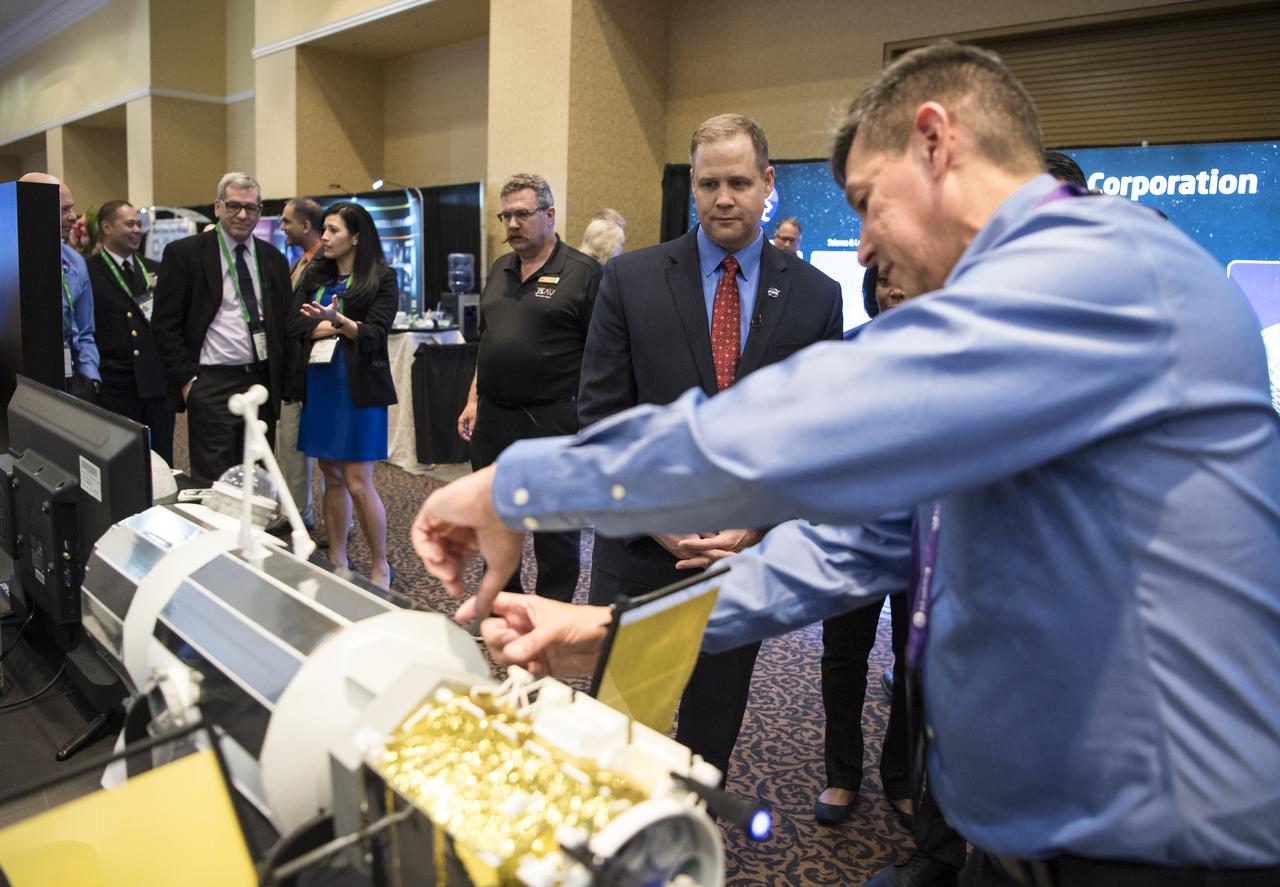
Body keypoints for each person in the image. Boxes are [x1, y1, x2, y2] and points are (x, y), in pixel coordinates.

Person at [414, 41, 1280, 887]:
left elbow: (796, 423)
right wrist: (604, 634)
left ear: (937, 142)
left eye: (868, 201)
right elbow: (848, 549)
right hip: (1025, 844)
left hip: (1164, 852)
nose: (860, 246)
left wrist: (519, 486)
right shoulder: (1007, 328)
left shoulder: (1105, 272)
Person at [576, 113, 842, 781]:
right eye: (709, 183)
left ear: (768, 184)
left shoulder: (815, 297)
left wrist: (752, 525)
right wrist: (664, 524)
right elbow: (601, 419)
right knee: (617, 725)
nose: (725, 198)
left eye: (740, 182)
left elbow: (815, 437)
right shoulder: (630, 281)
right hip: (639, 552)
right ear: (692, 187)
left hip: (744, 560)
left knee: (709, 734)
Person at [454, 173, 600, 603]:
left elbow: (605, 355)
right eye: (506, 215)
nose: (512, 224)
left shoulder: (584, 274)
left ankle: (551, 616)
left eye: (522, 214)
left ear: (550, 215)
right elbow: (488, 342)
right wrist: (473, 398)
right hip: (494, 421)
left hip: (554, 421)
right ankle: (505, 605)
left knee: (554, 531)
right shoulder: (500, 269)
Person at [814, 265, 911, 828]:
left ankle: (900, 775)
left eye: (905, 278)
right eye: (883, 280)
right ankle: (842, 774)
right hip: (852, 535)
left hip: (925, 540)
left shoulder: (956, 358)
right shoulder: (843, 355)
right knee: (844, 658)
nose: (893, 289)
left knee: (913, 662)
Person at [151, 171, 292, 484]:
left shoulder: (273, 260)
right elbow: (165, 325)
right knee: (215, 482)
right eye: (234, 206)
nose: (243, 214)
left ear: (260, 210)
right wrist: (189, 383)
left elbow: (284, 323)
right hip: (210, 383)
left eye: (251, 208)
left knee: (258, 478)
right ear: (217, 207)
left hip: (260, 382)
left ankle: (254, 534)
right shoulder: (185, 254)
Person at [289, 202, 398, 587]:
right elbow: (294, 327)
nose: (325, 238)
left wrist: (337, 322)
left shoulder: (381, 277)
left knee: (357, 479)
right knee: (330, 475)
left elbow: (376, 333)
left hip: (358, 386)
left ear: (356, 236)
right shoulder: (315, 273)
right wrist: (327, 328)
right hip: (320, 382)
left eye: (334, 231)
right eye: (324, 230)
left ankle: (381, 564)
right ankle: (337, 557)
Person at [85, 200, 173, 464]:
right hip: (115, 384)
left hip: (155, 382)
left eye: (139, 224)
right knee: (121, 462)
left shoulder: (154, 268)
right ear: (107, 227)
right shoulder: (89, 271)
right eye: (129, 224)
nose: (137, 230)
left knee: (161, 459)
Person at [18, 172, 100, 401]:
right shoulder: (9, 261)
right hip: (19, 381)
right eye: (64, 210)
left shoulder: (74, 261)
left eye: (72, 208)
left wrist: (90, 378)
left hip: (71, 379)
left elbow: (85, 330)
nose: (74, 217)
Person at [275, 197, 327, 530]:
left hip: (318, 371)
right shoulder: (299, 262)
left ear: (306, 226)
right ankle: (298, 516)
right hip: (296, 371)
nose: (281, 228)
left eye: (286, 221)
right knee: (293, 446)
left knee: (327, 456)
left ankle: (330, 523)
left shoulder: (325, 264)